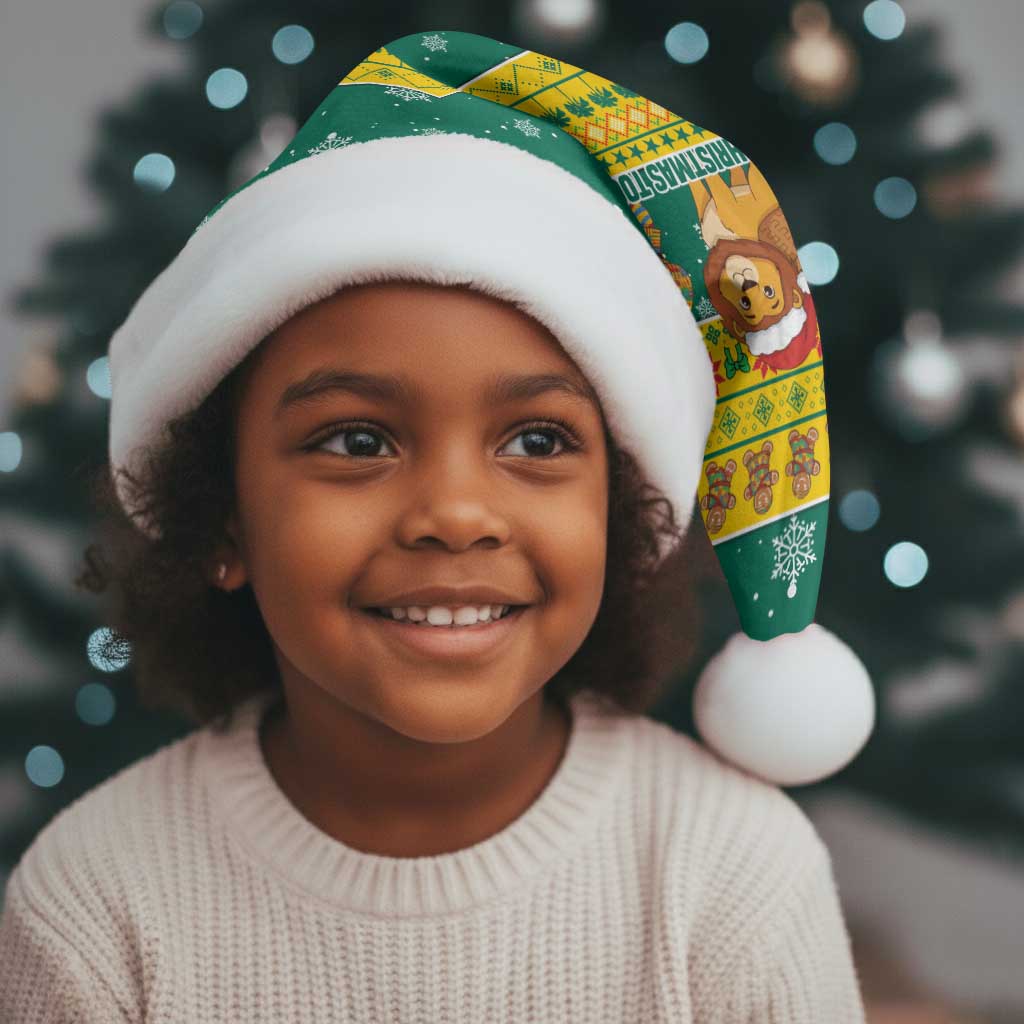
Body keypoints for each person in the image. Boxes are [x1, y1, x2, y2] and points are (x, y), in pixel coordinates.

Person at [0, 29, 872, 1022]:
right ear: (220, 518)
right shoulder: (96, 898)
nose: (456, 514)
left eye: (538, 441)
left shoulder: (730, 872)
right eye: (358, 441)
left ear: (622, 512)